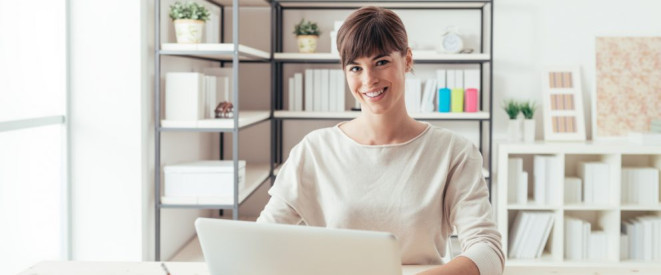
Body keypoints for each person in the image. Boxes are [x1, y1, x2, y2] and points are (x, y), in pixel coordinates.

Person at [257, 6, 504, 275]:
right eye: (355, 67)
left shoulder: (453, 152)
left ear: (407, 59)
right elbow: (261, 240)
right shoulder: (315, 149)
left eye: (381, 62)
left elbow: (488, 251)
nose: (369, 80)